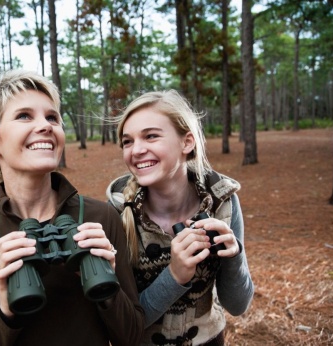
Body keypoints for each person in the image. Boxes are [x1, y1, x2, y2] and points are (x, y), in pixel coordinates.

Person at [0, 69, 144, 346]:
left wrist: (109, 291)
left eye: (52, 117)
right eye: (24, 116)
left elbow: (133, 337)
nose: (46, 126)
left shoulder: (100, 218)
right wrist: (5, 312)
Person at [106, 90, 254, 345]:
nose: (136, 150)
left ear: (187, 142)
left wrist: (234, 255)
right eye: (127, 141)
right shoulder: (116, 214)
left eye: (151, 136)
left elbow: (238, 305)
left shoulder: (223, 203)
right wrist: (175, 275)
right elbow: (125, 323)